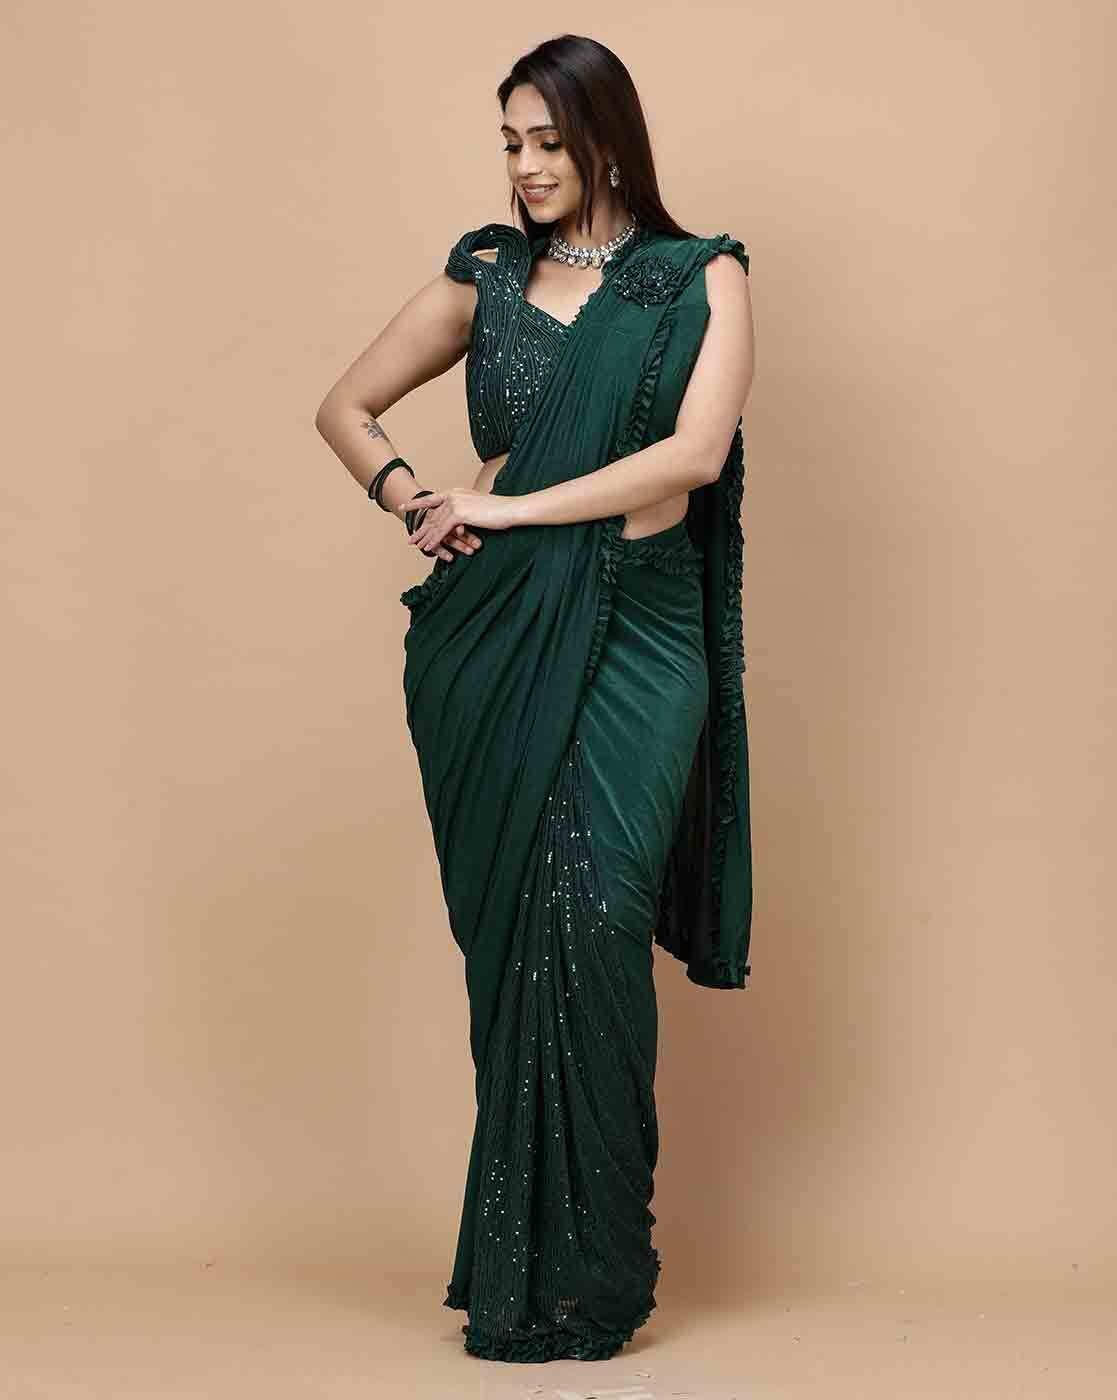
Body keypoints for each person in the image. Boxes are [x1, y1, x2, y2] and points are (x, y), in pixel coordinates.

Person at [315, 33, 756, 1364]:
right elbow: (345, 407)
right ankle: (522, 1282)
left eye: (548, 141)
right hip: (497, 636)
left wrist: (509, 505)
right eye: (509, 142)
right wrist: (412, 497)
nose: (525, 165)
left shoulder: (699, 276)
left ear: (606, 138)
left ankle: (596, 1274)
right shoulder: (488, 276)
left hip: (643, 629)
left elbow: (693, 453)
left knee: (602, 914)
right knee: (519, 939)